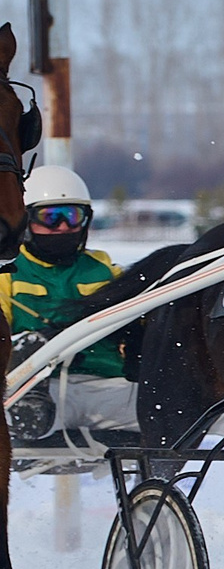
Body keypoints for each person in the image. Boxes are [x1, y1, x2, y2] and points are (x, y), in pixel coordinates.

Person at [3, 165, 139, 440]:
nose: (63, 226)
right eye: (51, 217)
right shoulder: (9, 274)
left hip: (109, 389)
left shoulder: (104, 270)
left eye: (72, 216)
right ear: (26, 221)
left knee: (176, 406)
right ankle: (26, 413)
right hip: (40, 393)